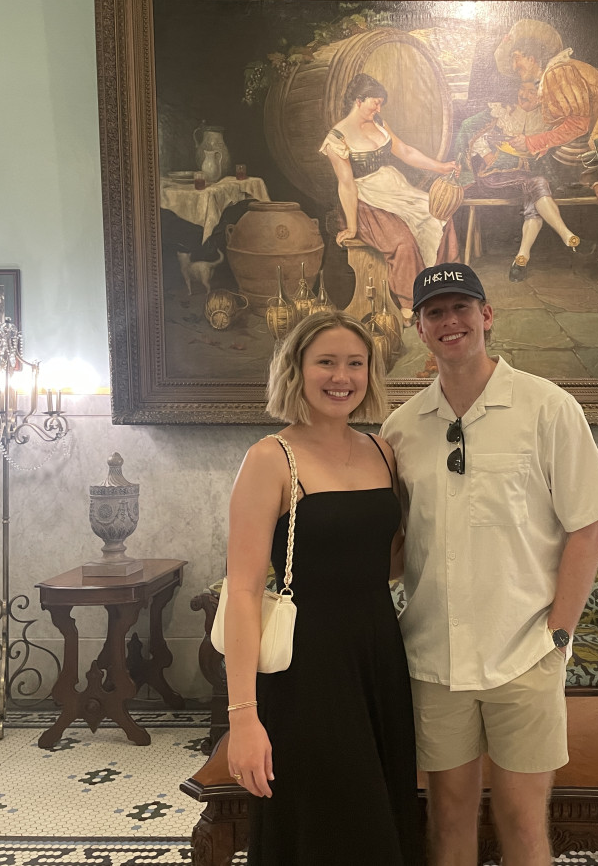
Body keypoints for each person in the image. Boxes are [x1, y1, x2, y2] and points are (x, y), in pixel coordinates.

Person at [381, 263, 598, 865]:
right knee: (448, 819)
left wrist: (558, 635)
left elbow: (587, 527)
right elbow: (397, 544)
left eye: (461, 307)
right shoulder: (401, 429)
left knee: (522, 821)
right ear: (419, 328)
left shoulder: (548, 407)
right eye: (435, 312)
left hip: (525, 653)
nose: (450, 321)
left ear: (487, 316)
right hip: (434, 659)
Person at [224, 311, 422, 865]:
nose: (342, 376)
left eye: (355, 363)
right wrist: (242, 716)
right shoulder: (270, 458)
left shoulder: (382, 451)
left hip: (379, 656)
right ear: (296, 370)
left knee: (381, 815)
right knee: (325, 821)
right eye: (326, 362)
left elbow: (388, 561)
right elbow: (242, 592)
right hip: (305, 667)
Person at [494, 19, 598, 313]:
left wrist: (534, 141)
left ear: (532, 56)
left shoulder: (558, 72)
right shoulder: (556, 73)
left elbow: (578, 124)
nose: (514, 65)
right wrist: (545, 145)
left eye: (516, 57)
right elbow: (579, 128)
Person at [322, 72, 460, 318]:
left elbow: (405, 151)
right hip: (363, 199)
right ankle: (411, 302)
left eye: (381, 103)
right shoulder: (337, 137)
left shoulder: (379, 123)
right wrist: (352, 227)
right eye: (375, 102)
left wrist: (441, 167)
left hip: (394, 188)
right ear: (358, 101)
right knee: (402, 240)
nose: (379, 108)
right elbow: (346, 184)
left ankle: (442, 284)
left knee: (439, 215)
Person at [453, 81, 581, 283]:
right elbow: (468, 126)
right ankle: (566, 235)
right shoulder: (502, 110)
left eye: (531, 91)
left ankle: (521, 258)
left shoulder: (547, 119)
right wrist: (487, 156)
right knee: (537, 184)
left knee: (535, 193)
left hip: (526, 179)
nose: (524, 94)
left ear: (541, 97)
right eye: (522, 89)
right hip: (495, 177)